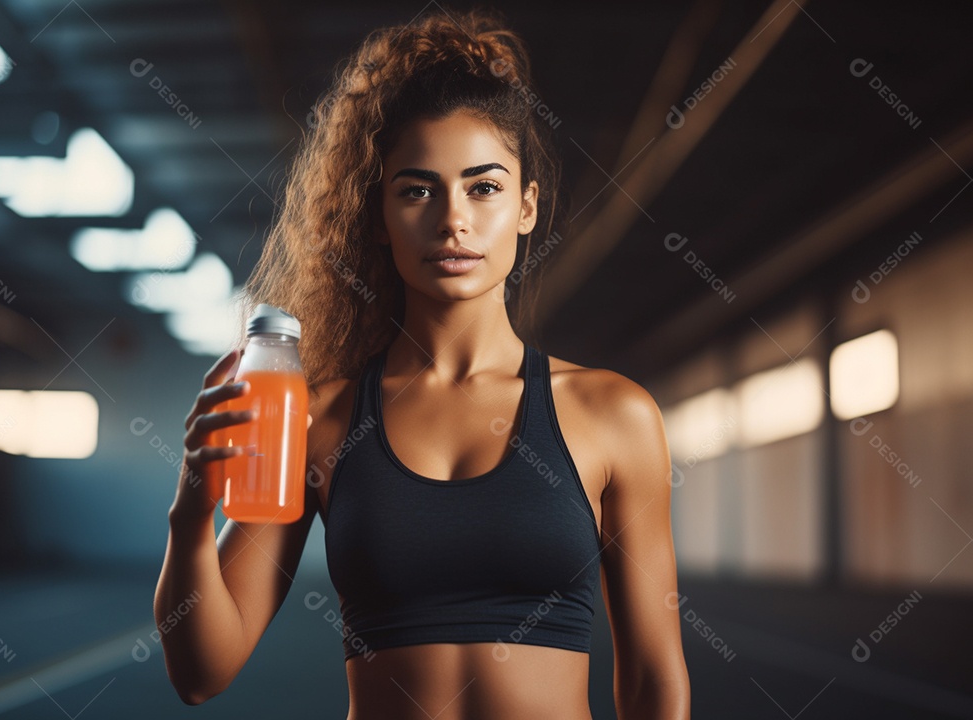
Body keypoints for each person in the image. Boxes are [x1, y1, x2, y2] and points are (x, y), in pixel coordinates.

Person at [155, 8, 690, 719]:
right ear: (378, 214)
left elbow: (655, 682)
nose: (452, 220)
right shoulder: (320, 419)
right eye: (417, 189)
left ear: (527, 207)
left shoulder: (613, 415)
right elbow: (201, 671)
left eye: (484, 187)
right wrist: (192, 510)